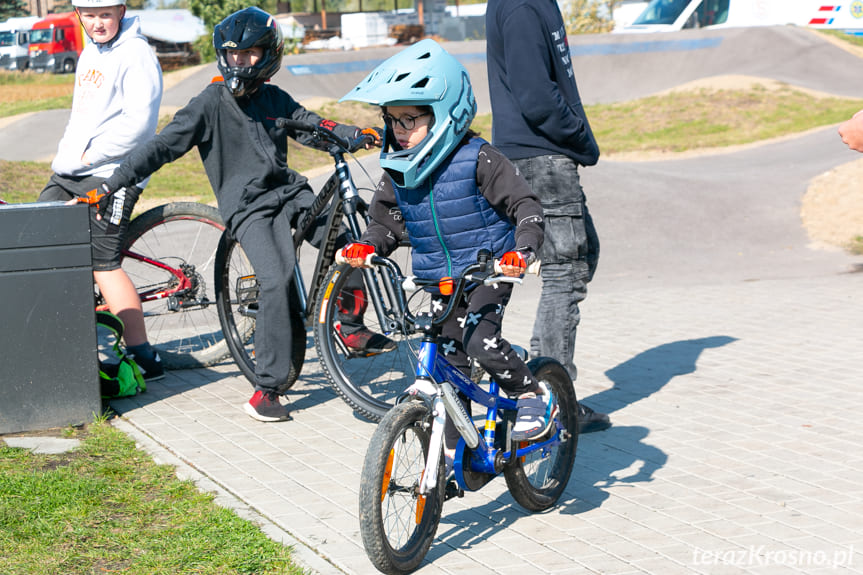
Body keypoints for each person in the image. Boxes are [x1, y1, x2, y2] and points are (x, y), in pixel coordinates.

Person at [98, 7, 387, 422]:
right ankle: (267, 388)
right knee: (275, 279)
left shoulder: (273, 98)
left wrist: (349, 133)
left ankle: (349, 324)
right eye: (233, 54)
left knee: (348, 239)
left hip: (289, 192)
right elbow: (161, 146)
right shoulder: (210, 103)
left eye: (249, 54)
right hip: (249, 208)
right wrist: (114, 182)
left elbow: (310, 124)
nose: (240, 62)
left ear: (268, 55)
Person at [338, 39, 555, 461]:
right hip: (440, 279)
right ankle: (461, 457)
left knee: (477, 340)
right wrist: (367, 245)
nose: (399, 131)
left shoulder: (479, 158)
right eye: (392, 120)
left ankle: (531, 393)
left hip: (489, 271)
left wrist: (523, 252)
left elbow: (525, 207)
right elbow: (386, 223)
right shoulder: (399, 171)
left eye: (410, 119)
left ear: (445, 113)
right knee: (448, 362)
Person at [486, 0, 611, 433]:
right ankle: (552, 400)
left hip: (539, 156)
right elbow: (537, 98)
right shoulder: (522, 6)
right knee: (565, 275)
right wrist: (580, 139)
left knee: (582, 256)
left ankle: (541, 371)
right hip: (541, 157)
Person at [37, 0, 164, 381]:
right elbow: (81, 115)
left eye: (105, 14)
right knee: (37, 237)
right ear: (79, 16)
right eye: (89, 15)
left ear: (121, 12)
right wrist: (67, 156)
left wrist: (90, 155)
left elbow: (139, 126)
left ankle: (144, 356)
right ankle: (65, 337)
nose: (97, 23)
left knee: (101, 261)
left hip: (114, 171)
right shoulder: (90, 52)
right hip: (71, 169)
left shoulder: (137, 54)